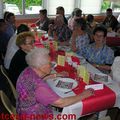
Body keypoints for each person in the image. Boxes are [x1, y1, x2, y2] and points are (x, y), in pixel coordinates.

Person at [16, 47, 94, 118]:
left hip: (23, 109)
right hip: (35, 115)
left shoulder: (29, 70)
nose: (52, 65)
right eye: (50, 63)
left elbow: (40, 79)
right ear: (42, 67)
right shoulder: (39, 86)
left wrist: (56, 75)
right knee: (72, 114)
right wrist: (84, 94)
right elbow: (61, 103)